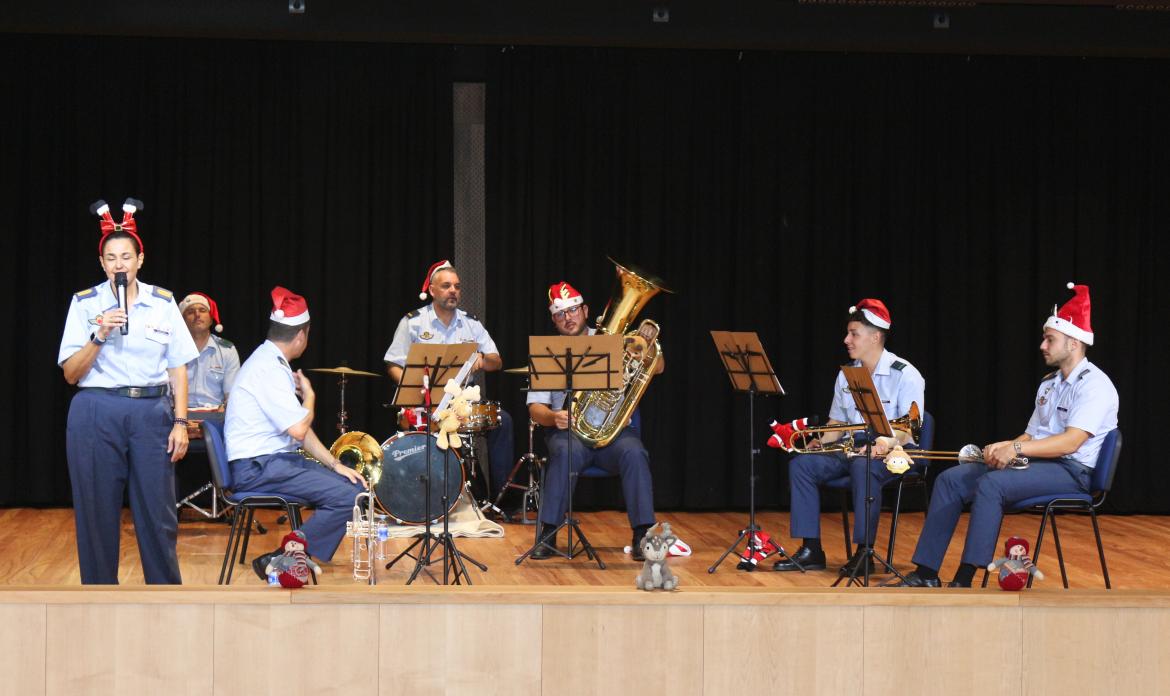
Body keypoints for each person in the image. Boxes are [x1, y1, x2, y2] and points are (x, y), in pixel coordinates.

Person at [892, 283, 1118, 588]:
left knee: (992, 484)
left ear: (1074, 343)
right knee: (951, 479)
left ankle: (965, 577)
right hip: (1042, 463)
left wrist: (1015, 448)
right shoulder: (1049, 383)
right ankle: (927, 572)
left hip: (1074, 471)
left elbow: (1071, 442)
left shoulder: (1095, 385)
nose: (1042, 345)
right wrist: (1004, 447)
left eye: (1050, 339)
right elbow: (1031, 434)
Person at [58, 198, 199, 584]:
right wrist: (98, 335)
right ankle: (100, 597)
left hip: (151, 412)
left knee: (158, 513)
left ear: (140, 259)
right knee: (97, 511)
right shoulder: (84, 304)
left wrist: (181, 422)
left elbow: (178, 366)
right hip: (96, 411)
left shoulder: (163, 302)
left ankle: (165, 596)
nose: (119, 264)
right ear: (102, 263)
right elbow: (71, 374)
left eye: (126, 256)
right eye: (111, 257)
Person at [772, 299, 926, 574]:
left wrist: (882, 444)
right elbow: (839, 422)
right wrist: (821, 441)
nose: (846, 339)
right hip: (853, 448)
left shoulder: (905, 374)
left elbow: (909, 429)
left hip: (896, 454)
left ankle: (864, 552)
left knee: (862, 466)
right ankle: (811, 549)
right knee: (802, 465)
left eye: (854, 333)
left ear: (875, 336)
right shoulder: (848, 375)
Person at [225, 287, 367, 578]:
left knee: (353, 488)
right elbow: (300, 428)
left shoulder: (271, 362)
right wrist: (310, 396)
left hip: (272, 462)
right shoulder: (269, 367)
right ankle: (282, 559)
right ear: (302, 335)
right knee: (349, 497)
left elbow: (301, 431)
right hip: (258, 467)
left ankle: (286, 557)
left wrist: (335, 464)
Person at [527, 281, 660, 561]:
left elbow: (657, 367)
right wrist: (553, 416)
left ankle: (642, 534)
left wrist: (647, 346)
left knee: (635, 453)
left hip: (613, 434)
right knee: (564, 453)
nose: (569, 317)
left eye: (574, 310)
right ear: (553, 319)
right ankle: (548, 534)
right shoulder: (547, 352)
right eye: (561, 313)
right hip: (569, 433)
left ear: (585, 310)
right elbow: (535, 409)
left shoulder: (613, 341)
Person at [383, 260, 514, 507]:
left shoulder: (471, 323)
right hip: (424, 402)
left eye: (457, 286)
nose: (453, 290)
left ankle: (500, 498)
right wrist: (411, 389)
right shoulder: (412, 322)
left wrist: (483, 359)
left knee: (503, 421)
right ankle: (421, 495)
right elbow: (392, 363)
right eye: (446, 286)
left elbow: (497, 360)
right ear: (432, 290)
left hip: (460, 405)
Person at [179, 291, 240, 411]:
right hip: (179, 415)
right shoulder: (172, 349)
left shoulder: (227, 350)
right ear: (183, 321)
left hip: (215, 416)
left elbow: (232, 396)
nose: (197, 315)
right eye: (190, 312)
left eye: (202, 310)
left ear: (211, 319)